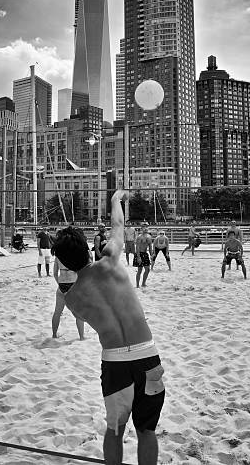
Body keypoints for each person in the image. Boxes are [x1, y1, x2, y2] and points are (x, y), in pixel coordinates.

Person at [52, 190, 165, 465]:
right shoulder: (111, 259)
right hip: (147, 355)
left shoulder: (72, 299)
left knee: (115, 430)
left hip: (115, 363)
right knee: (147, 430)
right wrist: (115, 200)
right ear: (88, 246)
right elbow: (118, 226)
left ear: (64, 261)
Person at [51, 256, 85, 340]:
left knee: (57, 312)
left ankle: (54, 335)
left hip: (62, 284)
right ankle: (81, 337)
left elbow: (55, 273)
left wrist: (59, 284)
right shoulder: (74, 253)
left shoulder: (58, 255)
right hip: (73, 283)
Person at [135, 223, 154, 288]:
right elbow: (137, 248)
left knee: (147, 269)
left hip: (145, 254)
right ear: (141, 228)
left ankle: (143, 283)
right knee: (140, 270)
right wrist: (138, 257)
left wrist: (151, 255)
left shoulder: (149, 236)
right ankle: (137, 285)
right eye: (144, 227)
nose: (145, 228)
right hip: (139, 253)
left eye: (146, 227)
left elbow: (150, 247)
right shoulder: (139, 237)